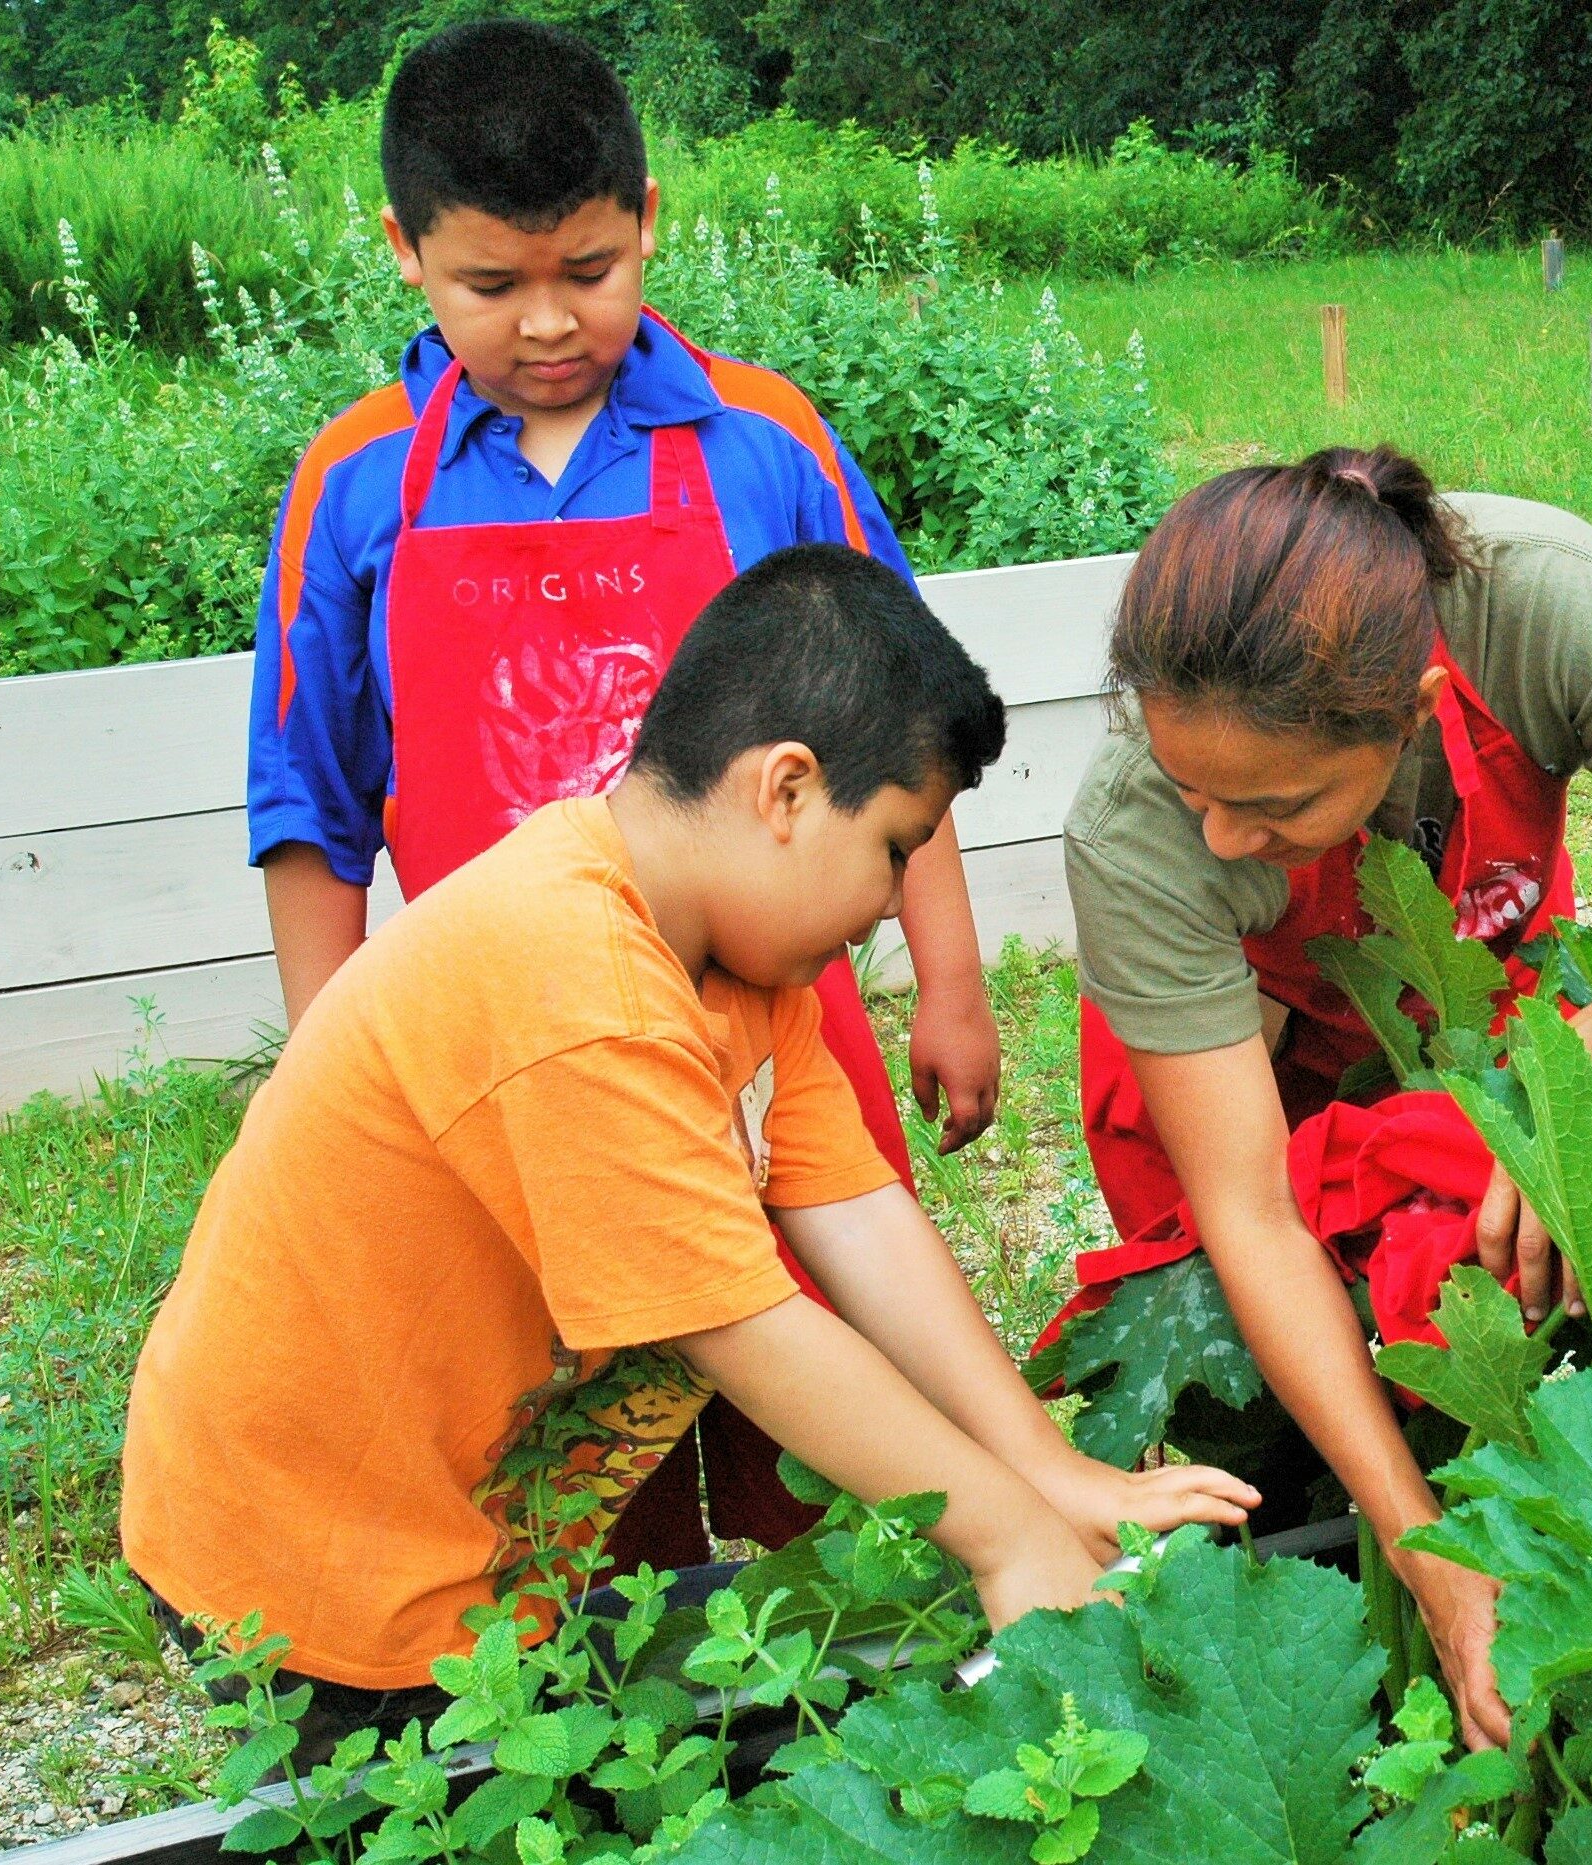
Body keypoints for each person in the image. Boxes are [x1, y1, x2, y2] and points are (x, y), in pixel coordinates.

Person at [127, 547, 1257, 1764]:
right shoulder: (578, 980)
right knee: (429, 1801)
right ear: (785, 789)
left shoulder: (735, 960)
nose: (891, 902)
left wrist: (1042, 1471)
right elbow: (744, 1324)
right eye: (894, 846)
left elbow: (859, 1212)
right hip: (317, 1573)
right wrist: (1002, 1536)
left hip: (468, 1527)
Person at [243, 19, 1003, 1569]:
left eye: (589, 271)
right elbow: (313, 810)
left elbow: (898, 731)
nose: (544, 324)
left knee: (839, 1451)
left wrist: (953, 980)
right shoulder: (355, 486)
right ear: (404, 251)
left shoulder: (761, 438)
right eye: (490, 285)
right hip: (542, 1077)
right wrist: (326, 1064)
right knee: (590, 1460)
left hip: (784, 1039)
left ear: (648, 217)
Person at [1054, 447, 1592, 1748]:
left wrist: (1573, 1074)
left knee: (1499, 1293)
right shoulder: (1133, 832)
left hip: (1469, 980)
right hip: (1232, 1040)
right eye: (1200, 796)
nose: (1225, 835)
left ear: (1411, 711)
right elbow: (1248, 1214)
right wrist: (1431, 1563)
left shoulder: (1550, 605)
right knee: (1242, 1395)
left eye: (1275, 806)